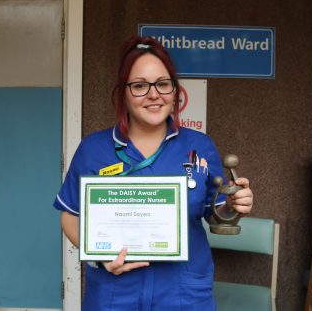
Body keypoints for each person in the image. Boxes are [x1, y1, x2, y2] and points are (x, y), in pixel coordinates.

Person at [54, 35, 253, 310]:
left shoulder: (199, 146)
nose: (153, 94)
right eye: (139, 86)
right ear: (123, 92)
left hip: (183, 295)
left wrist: (235, 205)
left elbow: (217, 214)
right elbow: (70, 216)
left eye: (162, 84)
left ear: (174, 91)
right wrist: (99, 257)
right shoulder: (93, 149)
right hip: (114, 295)